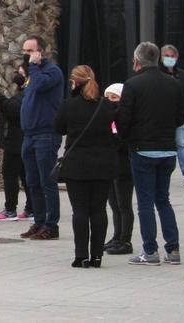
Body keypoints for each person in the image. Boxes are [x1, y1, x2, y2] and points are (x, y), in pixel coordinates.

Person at [118, 41, 184, 266]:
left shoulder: (133, 84)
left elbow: (123, 119)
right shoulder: (173, 84)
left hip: (142, 149)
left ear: (137, 60)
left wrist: (126, 138)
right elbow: (179, 118)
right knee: (163, 200)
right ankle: (173, 249)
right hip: (167, 149)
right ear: (157, 58)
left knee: (145, 202)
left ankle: (150, 250)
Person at [55, 65, 117, 268]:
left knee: (79, 210)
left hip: (77, 165)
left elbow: (58, 127)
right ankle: (97, 255)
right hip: (103, 164)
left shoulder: (69, 105)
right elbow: (117, 131)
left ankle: (81, 255)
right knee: (99, 210)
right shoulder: (107, 106)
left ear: (75, 83)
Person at [18, 35, 65, 240]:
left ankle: (51, 224)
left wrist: (34, 67)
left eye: (30, 51)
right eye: (25, 51)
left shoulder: (50, 72)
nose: (26, 55)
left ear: (41, 52)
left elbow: (38, 86)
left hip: (46, 135)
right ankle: (38, 221)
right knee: (32, 182)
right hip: (29, 135)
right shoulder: (32, 74)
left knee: (47, 182)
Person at [0, 65, 32, 221]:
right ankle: (30, 208)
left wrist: (0, 98)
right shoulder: (24, 93)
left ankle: (11, 209)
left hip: (16, 140)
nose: (18, 76)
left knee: (10, 173)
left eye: (21, 73)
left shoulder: (27, 94)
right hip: (17, 140)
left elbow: (13, 109)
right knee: (24, 174)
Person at [103, 82, 135, 255]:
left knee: (124, 204)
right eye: (107, 97)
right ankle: (116, 237)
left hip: (123, 165)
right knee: (114, 203)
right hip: (110, 164)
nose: (109, 101)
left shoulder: (123, 118)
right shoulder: (108, 117)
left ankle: (125, 239)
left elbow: (122, 140)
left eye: (114, 98)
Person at [160, 45, 184, 187]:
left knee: (180, 144)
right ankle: (163, 173)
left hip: (178, 118)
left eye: (172, 56)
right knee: (165, 147)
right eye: (166, 56)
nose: (169, 58)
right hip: (161, 118)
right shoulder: (158, 74)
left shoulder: (181, 75)